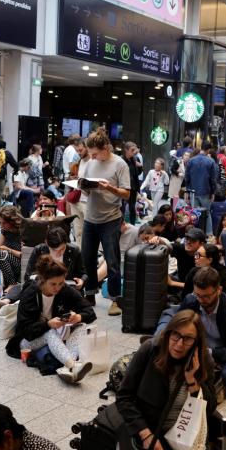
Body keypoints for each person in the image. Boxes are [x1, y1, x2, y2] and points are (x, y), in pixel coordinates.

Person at [116, 309, 221, 450]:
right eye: (176, 335)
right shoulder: (150, 350)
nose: (179, 344)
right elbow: (124, 397)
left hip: (189, 431)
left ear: (196, 342)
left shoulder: (204, 359)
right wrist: (146, 435)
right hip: (157, 431)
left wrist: (193, 382)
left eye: (188, 339)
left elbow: (210, 407)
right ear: (169, 332)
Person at [7, 255, 96, 384]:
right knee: (50, 332)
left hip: (58, 335)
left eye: (61, 283)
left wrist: (78, 317)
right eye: (53, 284)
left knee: (81, 325)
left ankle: (67, 367)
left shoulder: (65, 290)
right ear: (43, 280)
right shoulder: (30, 294)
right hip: (26, 341)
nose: (57, 288)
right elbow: (26, 331)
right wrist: (48, 324)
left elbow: (90, 312)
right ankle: (73, 365)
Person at [79, 129, 131, 316]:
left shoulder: (120, 164)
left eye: (95, 153)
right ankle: (90, 293)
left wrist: (110, 188)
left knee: (112, 260)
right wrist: (83, 187)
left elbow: (127, 193)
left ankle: (116, 298)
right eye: (90, 153)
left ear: (106, 148)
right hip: (90, 217)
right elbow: (85, 190)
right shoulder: (90, 163)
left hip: (110, 218)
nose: (92, 156)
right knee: (88, 258)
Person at [177, 267, 226, 392]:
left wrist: (209, 353)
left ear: (219, 290)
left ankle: (209, 380)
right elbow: (178, 330)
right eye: (197, 295)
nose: (200, 300)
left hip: (220, 357)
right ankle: (209, 380)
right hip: (194, 351)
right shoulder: (191, 300)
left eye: (206, 296)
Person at [184, 142, 219, 236]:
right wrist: (213, 192)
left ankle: (195, 234)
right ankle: (209, 234)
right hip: (205, 191)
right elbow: (213, 179)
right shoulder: (210, 161)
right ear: (208, 150)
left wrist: (187, 191)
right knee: (207, 214)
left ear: (201, 148)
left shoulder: (191, 160)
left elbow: (187, 177)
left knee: (194, 214)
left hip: (193, 191)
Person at [123, 141, 142, 225]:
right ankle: (121, 225)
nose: (134, 152)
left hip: (133, 186)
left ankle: (132, 225)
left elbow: (138, 173)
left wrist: (140, 166)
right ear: (126, 150)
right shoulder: (121, 159)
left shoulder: (135, 159)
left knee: (132, 208)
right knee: (122, 207)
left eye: (135, 149)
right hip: (123, 186)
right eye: (132, 150)